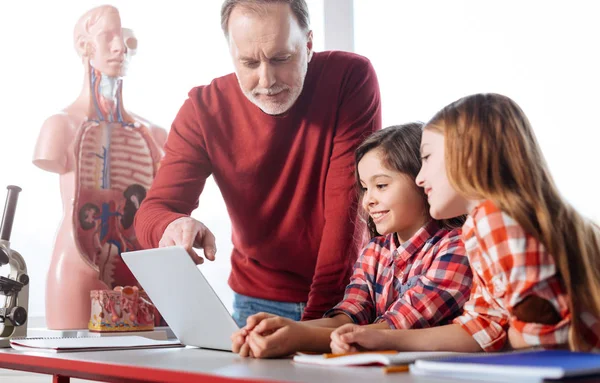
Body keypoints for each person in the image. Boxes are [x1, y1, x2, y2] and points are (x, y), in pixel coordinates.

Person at [134, 0, 382, 326]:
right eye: (249, 63)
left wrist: (312, 331)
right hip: (257, 304)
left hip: (346, 300)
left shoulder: (349, 78)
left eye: (281, 59)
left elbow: (347, 217)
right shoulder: (202, 110)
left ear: (308, 44)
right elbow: (151, 213)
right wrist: (171, 225)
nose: (266, 81)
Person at [330, 93, 600, 353]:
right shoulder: (480, 225)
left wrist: (510, 335)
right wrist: (381, 339)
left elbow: (542, 336)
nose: (421, 179)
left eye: (426, 158)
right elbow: (482, 324)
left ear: (468, 157)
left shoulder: (494, 219)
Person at [230, 123, 472, 358]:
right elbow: (348, 316)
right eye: (365, 188)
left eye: (381, 185)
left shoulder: (456, 247)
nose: (368, 200)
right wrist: (279, 328)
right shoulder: (375, 250)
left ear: (423, 181)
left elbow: (396, 326)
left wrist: (299, 336)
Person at [32, 5, 166, 329]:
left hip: (140, 270)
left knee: (142, 370)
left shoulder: (155, 136)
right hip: (75, 267)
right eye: (108, 37)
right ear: (84, 45)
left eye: (125, 40)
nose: (119, 48)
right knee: (72, 366)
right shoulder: (60, 127)